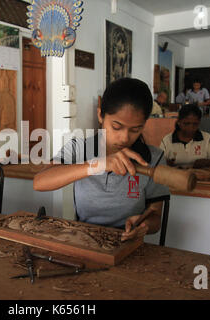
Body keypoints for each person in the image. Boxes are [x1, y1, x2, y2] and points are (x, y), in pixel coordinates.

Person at [34, 78, 170, 242]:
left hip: (128, 244)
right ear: (100, 115)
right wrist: (96, 165)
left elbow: (155, 217)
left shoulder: (154, 158)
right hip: (84, 240)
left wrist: (144, 226)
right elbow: (40, 182)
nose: (125, 137)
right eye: (117, 127)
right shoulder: (79, 148)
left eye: (136, 129)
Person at [160, 104, 210, 169]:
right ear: (179, 122)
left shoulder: (208, 139)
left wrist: (208, 163)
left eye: (195, 124)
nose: (190, 128)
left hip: (201, 177)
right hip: (174, 177)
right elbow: (158, 165)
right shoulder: (167, 141)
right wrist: (166, 164)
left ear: (199, 123)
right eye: (186, 123)